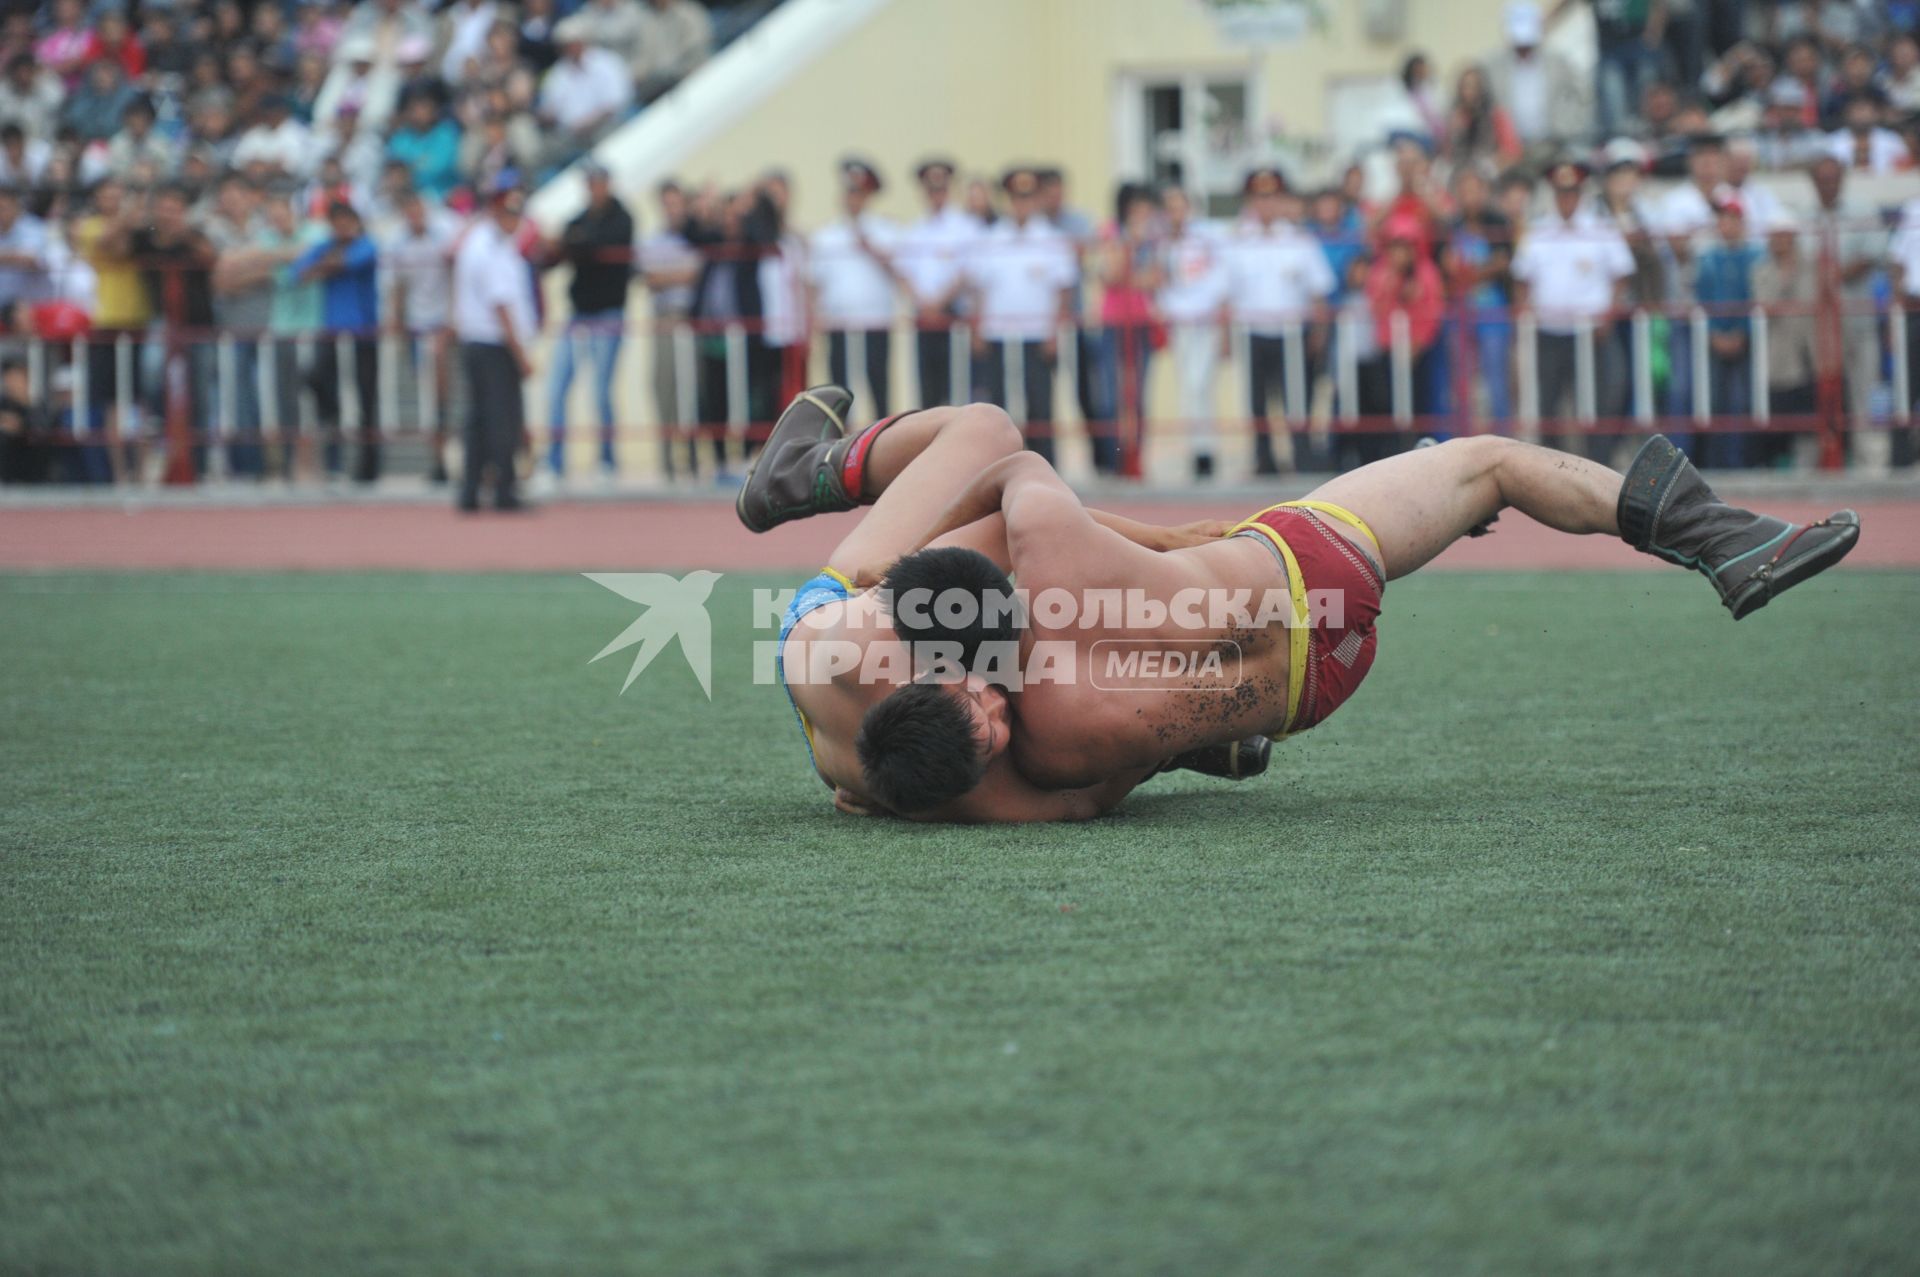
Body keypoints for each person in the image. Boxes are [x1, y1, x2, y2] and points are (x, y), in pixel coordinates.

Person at [758, 399, 1858, 821]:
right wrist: (1187, 543)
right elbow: (1018, 469)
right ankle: (1721, 540)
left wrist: (1200, 743)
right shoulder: (1016, 567)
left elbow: (1077, 786)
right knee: (1486, 464)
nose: (993, 707)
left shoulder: (880, 747)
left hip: (1297, 684)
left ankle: (815, 463)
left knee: (1100, 712)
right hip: (1296, 576)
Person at [732, 388, 1256, 821]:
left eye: (977, 701)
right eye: (995, 734)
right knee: (1057, 671)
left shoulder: (878, 631)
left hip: (841, 628)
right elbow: (1087, 800)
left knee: (987, 430)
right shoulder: (977, 791)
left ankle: (801, 469)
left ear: (933, 678)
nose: (1001, 710)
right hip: (868, 763)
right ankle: (1181, 752)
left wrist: (1164, 541)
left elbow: (1015, 516)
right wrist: (1165, 738)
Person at [1512, 159, 1633, 459]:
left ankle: (1601, 467)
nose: (1567, 199)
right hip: (1549, 331)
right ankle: (1552, 475)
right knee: (1548, 406)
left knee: (1600, 402)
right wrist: (1524, 315)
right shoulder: (1537, 231)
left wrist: (1609, 315)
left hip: (1592, 332)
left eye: (1572, 192)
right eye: (1561, 192)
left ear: (1581, 194)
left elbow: (1622, 274)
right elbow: (1522, 279)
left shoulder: (1601, 229)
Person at [1222, 168, 1334, 476]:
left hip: (1291, 333)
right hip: (1252, 333)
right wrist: (1225, 338)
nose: (1266, 205)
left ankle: (1302, 459)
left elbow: (1318, 290)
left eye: (1272, 197)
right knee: (1256, 402)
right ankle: (1264, 461)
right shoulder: (1237, 240)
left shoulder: (1298, 240)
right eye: (1259, 198)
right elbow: (1226, 293)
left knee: (1297, 399)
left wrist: (1319, 333)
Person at [963, 168, 1076, 463]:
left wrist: (1055, 332)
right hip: (997, 334)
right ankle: (998, 469)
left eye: (1027, 197)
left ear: (1036, 199)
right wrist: (977, 328)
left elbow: (1063, 291)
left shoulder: (1051, 238)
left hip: (1036, 335)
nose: (1021, 203)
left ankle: (1045, 469)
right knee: (997, 408)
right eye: (1016, 197)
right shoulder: (992, 238)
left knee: (1040, 406)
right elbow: (979, 288)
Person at [542, 160, 634, 481]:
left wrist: (572, 242)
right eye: (590, 182)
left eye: (599, 182)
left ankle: (607, 461)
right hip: (580, 313)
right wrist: (570, 242)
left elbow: (592, 243)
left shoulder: (622, 218)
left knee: (601, 390)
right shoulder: (579, 220)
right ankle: (553, 462)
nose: (595, 188)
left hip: (608, 313)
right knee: (556, 386)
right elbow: (562, 250)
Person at [452, 180, 538, 511]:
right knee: (503, 421)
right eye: (509, 213)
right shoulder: (491, 248)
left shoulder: (479, 242)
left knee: (479, 420)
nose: (515, 220)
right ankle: (504, 490)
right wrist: (521, 355)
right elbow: (501, 305)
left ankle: (471, 491)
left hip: (478, 340)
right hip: (494, 343)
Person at [1806, 155, 1887, 471]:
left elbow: (1873, 255)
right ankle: (1825, 461)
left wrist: (1834, 273)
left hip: (1857, 317)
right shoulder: (1805, 216)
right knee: (1822, 393)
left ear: (1842, 179)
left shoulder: (1863, 211)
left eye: (1833, 177)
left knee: (1866, 388)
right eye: (1821, 178)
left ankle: (1873, 464)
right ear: (1813, 182)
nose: (1828, 184)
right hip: (1818, 324)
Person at [293, 201, 382, 482]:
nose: (342, 228)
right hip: (331, 330)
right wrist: (325, 264)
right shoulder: (325, 246)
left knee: (366, 399)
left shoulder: (366, 245)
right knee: (314, 377)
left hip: (364, 331)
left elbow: (347, 263)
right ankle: (332, 417)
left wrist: (325, 265)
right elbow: (298, 273)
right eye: (337, 222)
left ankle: (368, 466)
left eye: (347, 221)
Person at [808, 158, 900, 420]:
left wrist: (872, 248)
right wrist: (813, 318)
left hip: (876, 321)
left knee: (878, 386)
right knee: (840, 391)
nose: (853, 199)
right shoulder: (826, 235)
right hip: (839, 323)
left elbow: (900, 274)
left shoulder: (886, 230)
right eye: (849, 192)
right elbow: (814, 282)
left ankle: (883, 443)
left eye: (859, 193)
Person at [386, 187, 460, 483]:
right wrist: (397, 322)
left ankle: (446, 455)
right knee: (428, 396)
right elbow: (397, 287)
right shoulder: (398, 243)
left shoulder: (444, 235)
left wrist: (453, 319)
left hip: (443, 325)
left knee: (442, 392)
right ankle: (437, 457)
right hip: (417, 326)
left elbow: (456, 275)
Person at [1155, 186, 1228, 479]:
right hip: (1180, 323)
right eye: (1170, 208)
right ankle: (1198, 451)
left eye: (1180, 207)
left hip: (1206, 321)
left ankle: (1206, 449)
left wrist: (1222, 320)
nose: (1176, 215)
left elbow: (1220, 279)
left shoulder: (1208, 238)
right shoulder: (1162, 243)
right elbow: (1162, 284)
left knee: (1201, 385)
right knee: (1189, 387)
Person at [1090, 182, 1162, 476]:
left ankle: (1136, 460)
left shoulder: (1154, 238)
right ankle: (1114, 460)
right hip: (1114, 322)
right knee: (1111, 395)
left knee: (1139, 395)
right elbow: (1111, 274)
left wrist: (1134, 275)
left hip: (1142, 321)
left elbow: (1156, 279)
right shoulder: (1111, 232)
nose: (1144, 212)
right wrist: (1128, 244)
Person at [896, 157, 980, 408]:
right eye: (931, 189)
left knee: (956, 388)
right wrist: (923, 304)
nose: (936, 194)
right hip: (923, 317)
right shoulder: (914, 230)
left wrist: (939, 303)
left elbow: (968, 271)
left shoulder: (965, 226)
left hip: (952, 315)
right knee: (927, 391)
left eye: (941, 188)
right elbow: (904, 273)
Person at [639, 179, 702, 478]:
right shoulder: (653, 241)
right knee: (663, 385)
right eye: (668, 204)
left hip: (688, 318)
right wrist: (681, 276)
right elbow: (650, 280)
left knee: (689, 387)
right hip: (664, 318)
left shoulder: (696, 237)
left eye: (677, 203)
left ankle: (690, 458)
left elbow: (696, 275)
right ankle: (666, 461)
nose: (673, 210)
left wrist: (669, 277)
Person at [1445, 164, 1516, 431]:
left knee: (1496, 378)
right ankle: (1462, 439)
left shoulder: (1498, 222)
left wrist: (1469, 274)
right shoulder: (1451, 225)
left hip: (1493, 311)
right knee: (1460, 381)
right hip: (1460, 311)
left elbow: (1503, 262)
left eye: (1474, 189)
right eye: (1464, 190)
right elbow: (1446, 264)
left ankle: (1504, 439)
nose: (1469, 196)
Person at [1692, 196, 1761, 468]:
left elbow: (1754, 297)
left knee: (1743, 400)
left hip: (1745, 340)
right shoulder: (1708, 258)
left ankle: (1741, 462)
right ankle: (1714, 464)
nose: (1726, 225)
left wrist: (1742, 333)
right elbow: (1703, 298)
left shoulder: (1754, 256)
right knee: (1713, 400)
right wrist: (1713, 334)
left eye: (1732, 218)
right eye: (1722, 219)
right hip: (1716, 340)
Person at [1752, 217, 1817, 470]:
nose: (1780, 242)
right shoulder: (1762, 270)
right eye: (1775, 236)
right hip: (1778, 356)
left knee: (1809, 413)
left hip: (1809, 352)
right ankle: (1780, 465)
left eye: (1785, 236)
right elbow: (1766, 306)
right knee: (1778, 414)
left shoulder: (1810, 267)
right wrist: (1784, 277)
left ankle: (1807, 465)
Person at [1485, 2, 1592, 154]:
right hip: (1510, 148)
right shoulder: (1493, 66)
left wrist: (1568, 126)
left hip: (1552, 143)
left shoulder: (1557, 62)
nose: (1524, 48)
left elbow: (1582, 95)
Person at [536, 17, 632, 169]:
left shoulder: (606, 62)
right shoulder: (557, 75)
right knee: (546, 151)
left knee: (609, 135)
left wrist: (590, 121)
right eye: (565, 46)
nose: (570, 49)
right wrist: (547, 116)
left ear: (582, 42)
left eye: (572, 43)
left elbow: (617, 101)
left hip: (606, 124)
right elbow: (551, 109)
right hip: (572, 135)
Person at [631, 0, 713, 103]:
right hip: (661, 83)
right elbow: (643, 59)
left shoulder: (688, 12)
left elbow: (697, 46)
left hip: (690, 72)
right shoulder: (648, 22)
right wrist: (638, 74)